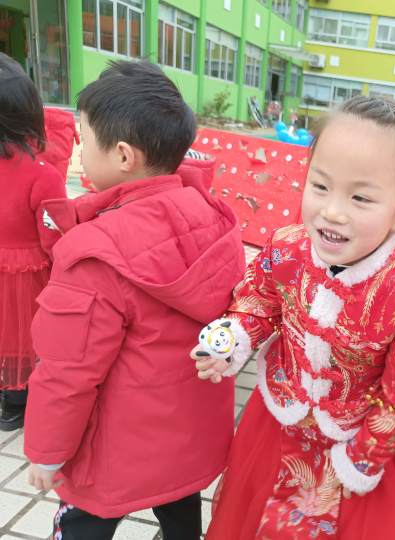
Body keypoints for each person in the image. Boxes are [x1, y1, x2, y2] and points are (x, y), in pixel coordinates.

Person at [194, 96, 395, 540]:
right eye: (320, 186)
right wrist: (232, 338)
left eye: (361, 197)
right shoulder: (287, 247)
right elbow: (260, 300)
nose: (333, 211)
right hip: (276, 426)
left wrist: (362, 458)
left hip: (357, 451)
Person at [23, 60, 245, 539]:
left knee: (83, 523)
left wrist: (45, 451)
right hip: (187, 441)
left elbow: (68, 370)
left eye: (83, 141)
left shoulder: (96, 254)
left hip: (116, 451)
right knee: (181, 513)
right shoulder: (210, 214)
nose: (78, 155)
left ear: (124, 155)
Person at [0, 53, 67, 431]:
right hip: (26, 276)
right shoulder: (43, 175)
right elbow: (54, 237)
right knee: (21, 336)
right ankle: (16, 402)